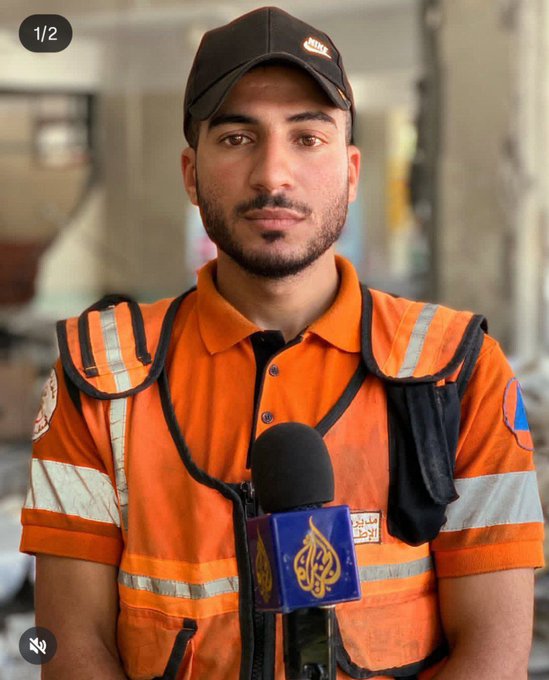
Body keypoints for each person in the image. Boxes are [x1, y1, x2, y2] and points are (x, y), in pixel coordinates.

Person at [20, 6, 544, 680]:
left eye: (307, 137)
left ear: (351, 170)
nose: (273, 175)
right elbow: (71, 647)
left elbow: (493, 656)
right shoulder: (99, 377)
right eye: (238, 137)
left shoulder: (457, 370)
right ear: (190, 173)